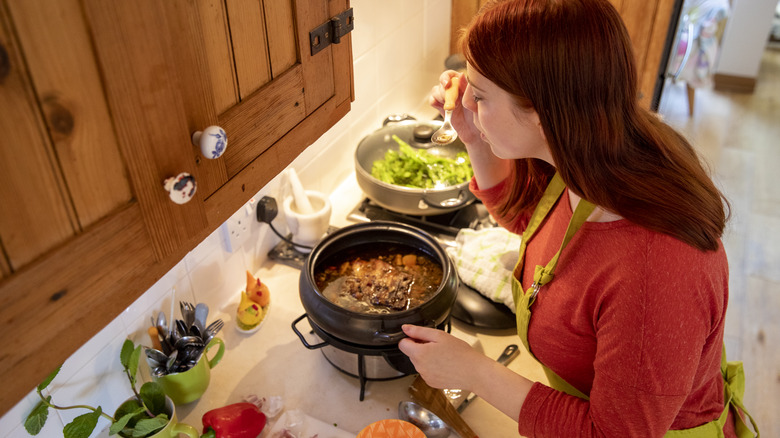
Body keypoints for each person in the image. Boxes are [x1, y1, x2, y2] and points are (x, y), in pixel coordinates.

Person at [397, 0, 759, 436]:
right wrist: (474, 135)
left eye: (480, 93)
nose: (464, 100)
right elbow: (534, 220)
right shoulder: (599, 155)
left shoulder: (655, 270)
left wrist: (473, 371)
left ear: (541, 110)